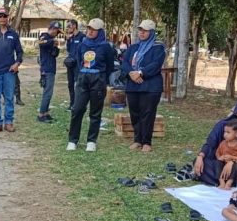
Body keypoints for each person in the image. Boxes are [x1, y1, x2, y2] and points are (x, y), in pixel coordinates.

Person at [66, 18, 114, 152]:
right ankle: (73, 140)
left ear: (100, 31)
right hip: (83, 78)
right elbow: (78, 60)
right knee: (77, 109)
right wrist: (80, 76)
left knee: (95, 112)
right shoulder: (82, 44)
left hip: (98, 79)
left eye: (94, 30)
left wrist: (102, 79)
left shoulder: (105, 46)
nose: (90, 32)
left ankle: (91, 141)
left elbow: (110, 65)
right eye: (89, 29)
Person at [120, 19, 166, 152]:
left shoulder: (158, 48)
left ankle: (147, 142)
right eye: (140, 30)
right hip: (133, 86)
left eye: (145, 31)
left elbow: (156, 65)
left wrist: (140, 72)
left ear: (151, 32)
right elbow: (124, 62)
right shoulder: (134, 47)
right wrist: (131, 73)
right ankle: (137, 139)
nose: (142, 33)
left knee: (148, 113)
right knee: (134, 113)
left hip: (150, 86)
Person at [193, 100, 237, 186]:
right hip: (219, 163)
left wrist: (233, 162)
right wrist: (200, 156)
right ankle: (224, 181)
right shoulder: (223, 125)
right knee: (200, 163)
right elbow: (210, 143)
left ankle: (224, 181)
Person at [0, 7, 24, 134]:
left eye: (4, 16)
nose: (2, 18)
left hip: (9, 72)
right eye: (0, 16)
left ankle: (8, 122)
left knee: (9, 98)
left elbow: (19, 52)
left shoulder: (13, 34)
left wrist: (17, 63)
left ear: (8, 17)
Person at [37, 21, 61, 123]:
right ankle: (41, 114)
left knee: (49, 93)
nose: (56, 33)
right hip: (46, 69)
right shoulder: (44, 36)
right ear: (52, 28)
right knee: (47, 93)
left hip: (51, 68)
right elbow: (41, 43)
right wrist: (53, 42)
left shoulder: (51, 40)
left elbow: (55, 53)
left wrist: (55, 47)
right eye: (56, 30)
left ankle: (46, 113)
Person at [216, 120, 237, 189]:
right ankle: (221, 182)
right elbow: (217, 153)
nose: (225, 134)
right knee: (217, 163)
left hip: (234, 166)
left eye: (228, 132)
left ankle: (229, 182)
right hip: (223, 165)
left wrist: (232, 158)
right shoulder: (223, 143)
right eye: (224, 132)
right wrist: (220, 157)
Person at [64, 19, 84, 110]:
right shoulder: (70, 37)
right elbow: (68, 50)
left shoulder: (82, 37)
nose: (67, 28)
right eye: (67, 26)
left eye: (69, 26)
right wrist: (68, 40)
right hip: (70, 64)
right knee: (70, 84)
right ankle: (72, 103)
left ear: (74, 26)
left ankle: (78, 103)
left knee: (78, 84)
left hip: (78, 65)